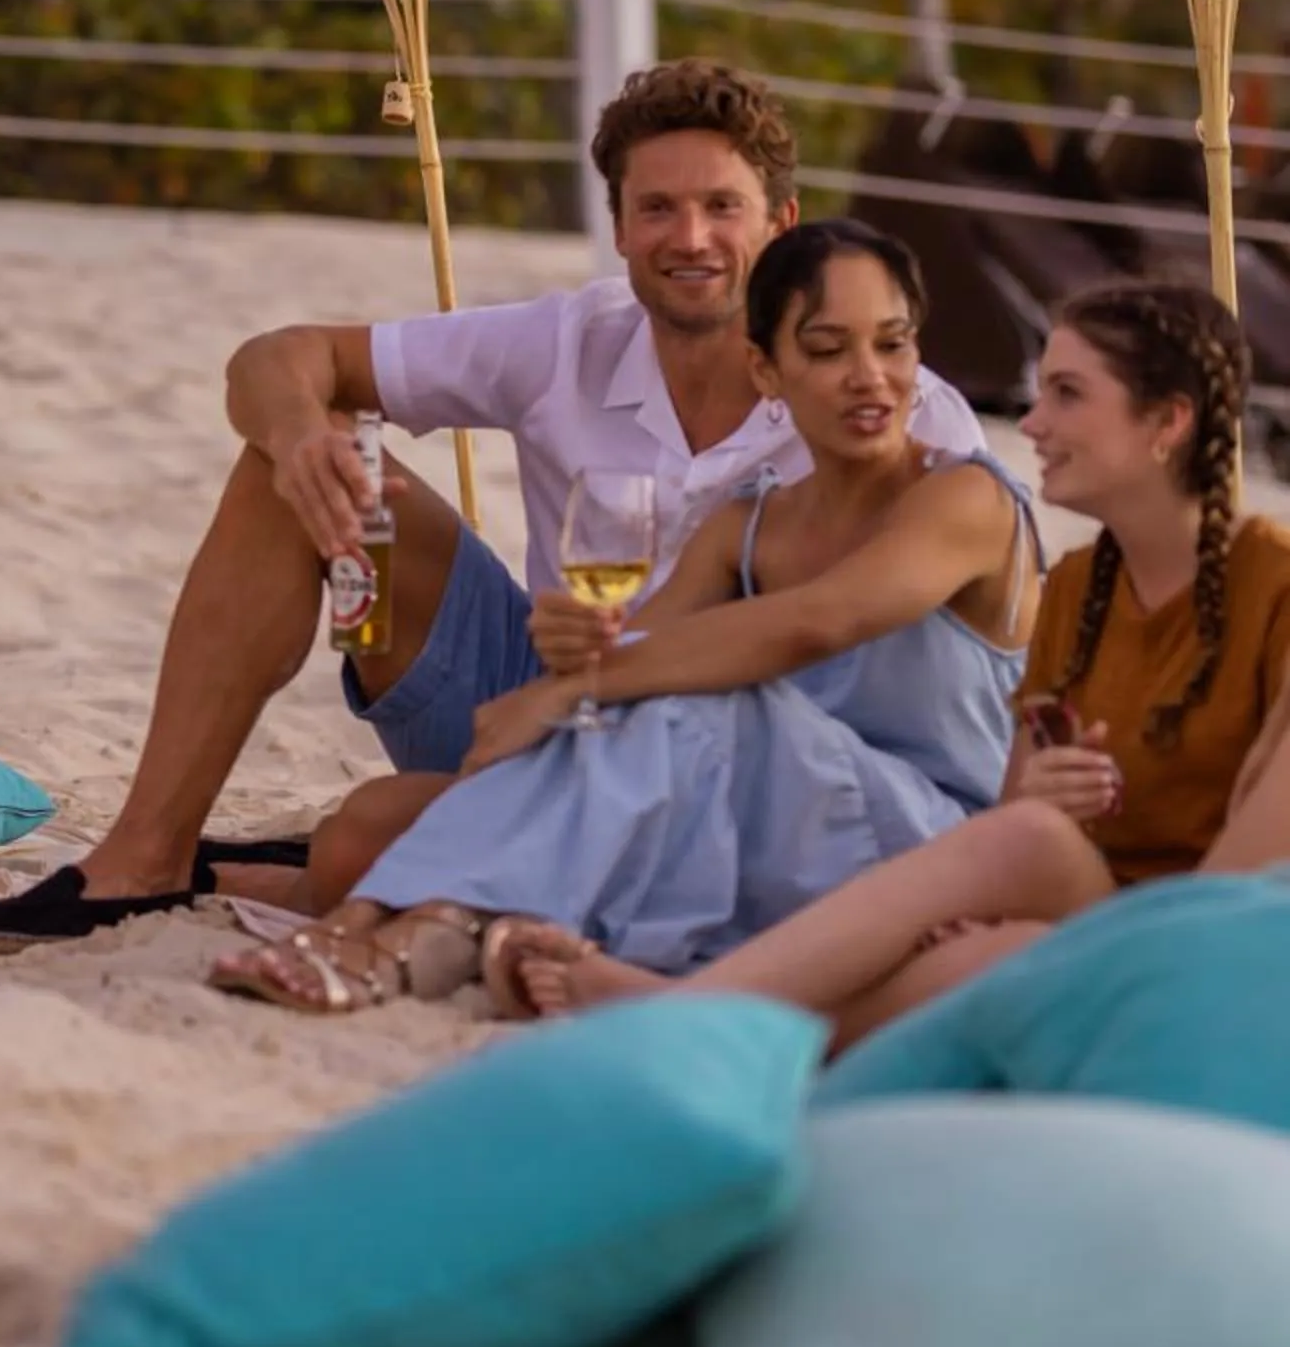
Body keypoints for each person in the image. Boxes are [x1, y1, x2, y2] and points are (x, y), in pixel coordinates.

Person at [0, 60, 986, 945]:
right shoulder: (566, 338)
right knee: (306, 457)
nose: (692, 237)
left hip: (732, 756)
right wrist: (302, 435)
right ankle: (144, 855)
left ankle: (287, 867)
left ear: (781, 225)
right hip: (531, 695)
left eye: (723, 207)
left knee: (362, 837)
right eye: (658, 209)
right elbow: (275, 358)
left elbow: (905, 654)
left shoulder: (894, 410)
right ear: (618, 227)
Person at [206, 220, 1039, 1014]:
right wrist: (577, 654)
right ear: (766, 371)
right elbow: (635, 672)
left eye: (893, 344)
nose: (870, 377)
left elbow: (817, 622)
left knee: (713, 702)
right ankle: (376, 918)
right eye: (828, 349)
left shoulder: (962, 496)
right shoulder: (749, 523)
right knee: (371, 824)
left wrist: (569, 688)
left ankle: (421, 932)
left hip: (934, 849)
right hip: (765, 827)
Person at [508, 278, 1290, 1047]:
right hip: (1092, 921)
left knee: (1018, 887)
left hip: (1217, 951)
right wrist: (1049, 805)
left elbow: (1230, 899)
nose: (1033, 422)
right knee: (994, 939)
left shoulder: (1275, 586)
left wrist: (1041, 843)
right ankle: (717, 1020)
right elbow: (1015, 814)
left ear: (1167, 421)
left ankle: (688, 1010)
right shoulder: (1081, 589)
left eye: (1067, 394)